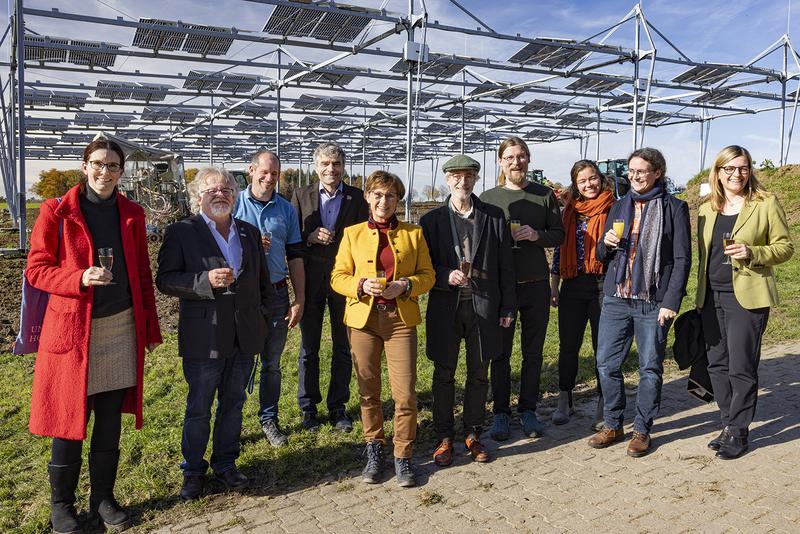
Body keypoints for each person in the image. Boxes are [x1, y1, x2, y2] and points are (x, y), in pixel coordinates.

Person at [26, 139, 162, 533]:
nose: (106, 172)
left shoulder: (132, 213)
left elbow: (140, 276)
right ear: (85, 166)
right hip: (73, 330)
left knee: (108, 418)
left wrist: (149, 326)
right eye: (99, 164)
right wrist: (79, 277)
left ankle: (102, 497)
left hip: (119, 327)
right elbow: (35, 270)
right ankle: (61, 506)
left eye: (114, 166)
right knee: (68, 420)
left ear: (122, 171)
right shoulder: (57, 211)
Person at [156, 167, 274, 500]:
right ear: (198, 198)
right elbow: (165, 280)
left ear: (235, 196)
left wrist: (263, 317)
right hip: (204, 336)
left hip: (244, 334)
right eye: (211, 190)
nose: (220, 194)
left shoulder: (249, 233)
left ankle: (226, 464)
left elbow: (263, 283)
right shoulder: (182, 232)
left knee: (234, 404)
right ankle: (193, 470)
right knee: (199, 407)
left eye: (226, 190)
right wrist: (203, 282)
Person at [330, 170, 435, 488]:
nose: (383, 201)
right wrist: (361, 284)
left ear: (398, 201)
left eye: (390, 196)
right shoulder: (353, 234)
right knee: (368, 392)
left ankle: (403, 455)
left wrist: (404, 285)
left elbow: (428, 275)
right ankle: (374, 450)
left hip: (400, 321)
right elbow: (337, 277)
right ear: (368, 197)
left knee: (404, 395)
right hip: (363, 321)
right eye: (377, 194)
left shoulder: (413, 234)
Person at [589, 147, 691, 457]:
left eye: (641, 171)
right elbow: (601, 256)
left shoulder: (674, 207)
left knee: (650, 368)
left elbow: (681, 258)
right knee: (606, 364)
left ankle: (642, 429)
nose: (634, 176)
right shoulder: (620, 206)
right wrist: (604, 244)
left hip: (652, 301)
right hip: (617, 297)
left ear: (657, 172)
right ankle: (613, 423)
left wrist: (670, 301)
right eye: (631, 171)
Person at [696, 145, 793, 459]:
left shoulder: (765, 204)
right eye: (730, 168)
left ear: (750, 170)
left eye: (743, 167)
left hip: (747, 297)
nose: (737, 174)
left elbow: (785, 247)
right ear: (719, 172)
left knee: (741, 366)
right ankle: (727, 422)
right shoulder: (706, 208)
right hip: (711, 296)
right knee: (717, 365)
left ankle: (739, 432)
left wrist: (753, 252)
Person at [420, 155, 516, 467]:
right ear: (447, 180)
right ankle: (444, 436)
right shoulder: (431, 221)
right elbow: (424, 266)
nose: (462, 182)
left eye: (468, 176)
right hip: (446, 306)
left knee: (478, 373)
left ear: (475, 179)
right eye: (456, 177)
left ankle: (473, 433)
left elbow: (505, 266)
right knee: (444, 373)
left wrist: (507, 307)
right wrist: (446, 273)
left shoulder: (493, 216)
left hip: (483, 307)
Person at [480, 136, 565, 440]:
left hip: (535, 285)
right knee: (500, 353)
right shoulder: (488, 198)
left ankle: (528, 410)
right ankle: (500, 413)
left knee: (533, 352)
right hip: (502, 288)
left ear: (529, 160)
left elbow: (558, 235)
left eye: (522, 156)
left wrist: (536, 235)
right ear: (500, 162)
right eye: (510, 157)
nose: (516, 162)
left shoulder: (544, 196)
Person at [291, 142, 369, 432]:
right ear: (316, 167)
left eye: (335, 164)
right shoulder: (300, 196)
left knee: (343, 347)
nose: (330, 169)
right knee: (308, 348)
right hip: (310, 281)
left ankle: (338, 407)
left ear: (343, 166)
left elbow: (364, 239)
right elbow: (292, 238)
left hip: (344, 282)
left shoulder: (357, 198)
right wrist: (309, 237)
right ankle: (308, 408)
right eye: (325, 164)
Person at [234, 150, 305, 448]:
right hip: (241, 294)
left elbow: (296, 255)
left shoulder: (286, 210)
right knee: (238, 361)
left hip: (276, 292)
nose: (269, 178)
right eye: (264, 171)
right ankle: (232, 420)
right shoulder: (233, 201)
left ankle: (268, 419)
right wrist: (247, 242)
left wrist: (298, 297)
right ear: (251, 170)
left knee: (271, 363)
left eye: (275, 173)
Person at [549, 160, 614, 427]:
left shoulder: (614, 207)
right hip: (572, 284)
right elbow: (557, 251)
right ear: (575, 185)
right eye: (582, 181)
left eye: (593, 178)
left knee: (604, 349)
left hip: (603, 285)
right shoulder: (569, 212)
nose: (589, 185)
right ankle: (565, 399)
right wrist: (554, 287)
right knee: (568, 346)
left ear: (600, 178)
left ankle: (603, 402)